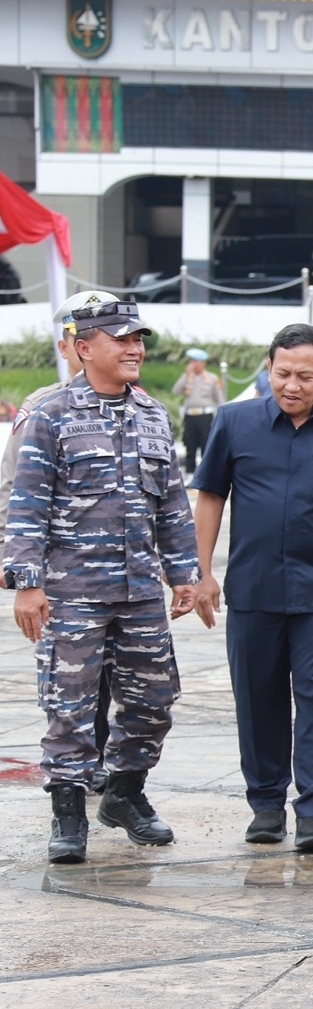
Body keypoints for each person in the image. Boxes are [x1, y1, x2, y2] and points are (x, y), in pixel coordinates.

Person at [3, 291, 199, 864]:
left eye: (139, 339)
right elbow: (26, 501)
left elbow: (171, 504)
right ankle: (68, 812)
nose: (134, 349)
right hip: (71, 591)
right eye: (122, 339)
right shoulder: (49, 415)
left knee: (155, 699)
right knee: (69, 704)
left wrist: (184, 573)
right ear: (83, 349)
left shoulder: (152, 413)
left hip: (140, 591)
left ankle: (125, 794)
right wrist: (28, 583)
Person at [192, 324, 313, 853]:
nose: (291, 385)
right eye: (281, 374)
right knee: (257, 697)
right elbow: (209, 499)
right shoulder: (234, 422)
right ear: (268, 370)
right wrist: (200, 573)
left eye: (304, 375)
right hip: (252, 588)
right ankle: (266, 804)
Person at [0, 296, 112, 796]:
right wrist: (18, 565)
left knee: (117, 675)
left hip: (121, 573)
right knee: (67, 677)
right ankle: (72, 767)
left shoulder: (133, 402)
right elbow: (13, 486)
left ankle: (103, 760)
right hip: (61, 573)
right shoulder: (43, 407)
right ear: (71, 347)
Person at [172, 346, 225, 476]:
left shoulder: (211, 378)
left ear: (203, 363)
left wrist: (220, 418)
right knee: (189, 445)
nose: (193, 364)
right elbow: (175, 391)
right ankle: (190, 473)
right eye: (191, 361)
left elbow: (220, 400)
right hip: (190, 415)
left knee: (205, 445)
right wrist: (186, 375)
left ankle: (206, 473)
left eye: (195, 361)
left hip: (205, 415)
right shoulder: (188, 378)